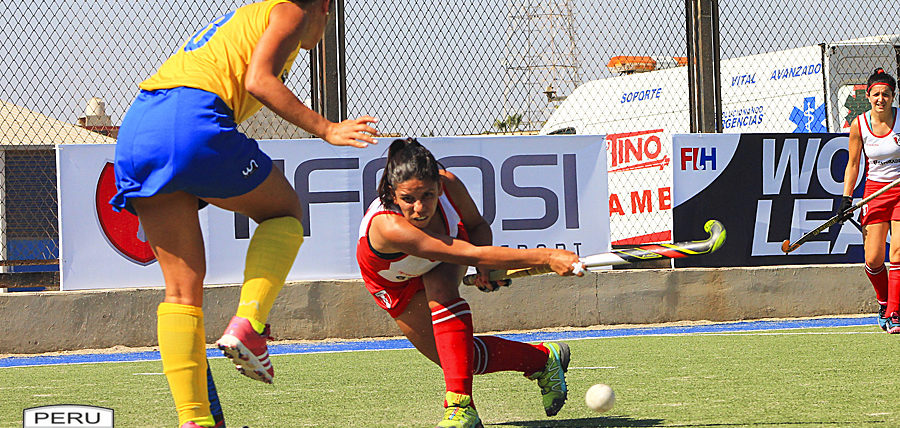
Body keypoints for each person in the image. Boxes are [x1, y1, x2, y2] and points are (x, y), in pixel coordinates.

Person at [109, 1, 378, 427]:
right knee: (285, 211)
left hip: (140, 129)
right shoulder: (290, 10)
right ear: (324, 7)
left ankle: (195, 420)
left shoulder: (246, 15)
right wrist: (326, 128)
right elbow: (258, 80)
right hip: (193, 120)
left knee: (181, 291)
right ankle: (249, 323)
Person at [357, 138, 583, 428]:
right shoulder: (389, 227)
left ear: (438, 186)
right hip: (393, 282)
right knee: (462, 361)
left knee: (440, 293)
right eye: (408, 199)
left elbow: (476, 227)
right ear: (392, 192)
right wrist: (548, 256)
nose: (419, 208)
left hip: (442, 260)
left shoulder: (449, 184)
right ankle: (542, 360)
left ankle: (461, 409)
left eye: (427, 195)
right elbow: (471, 252)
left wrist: (484, 267)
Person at [840, 68, 899, 333]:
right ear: (868, 96)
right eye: (876, 94)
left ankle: (895, 312)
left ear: (893, 96)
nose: (881, 99)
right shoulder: (859, 125)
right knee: (874, 259)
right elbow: (853, 164)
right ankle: (884, 300)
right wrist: (846, 197)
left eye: (886, 94)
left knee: (897, 253)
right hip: (875, 192)